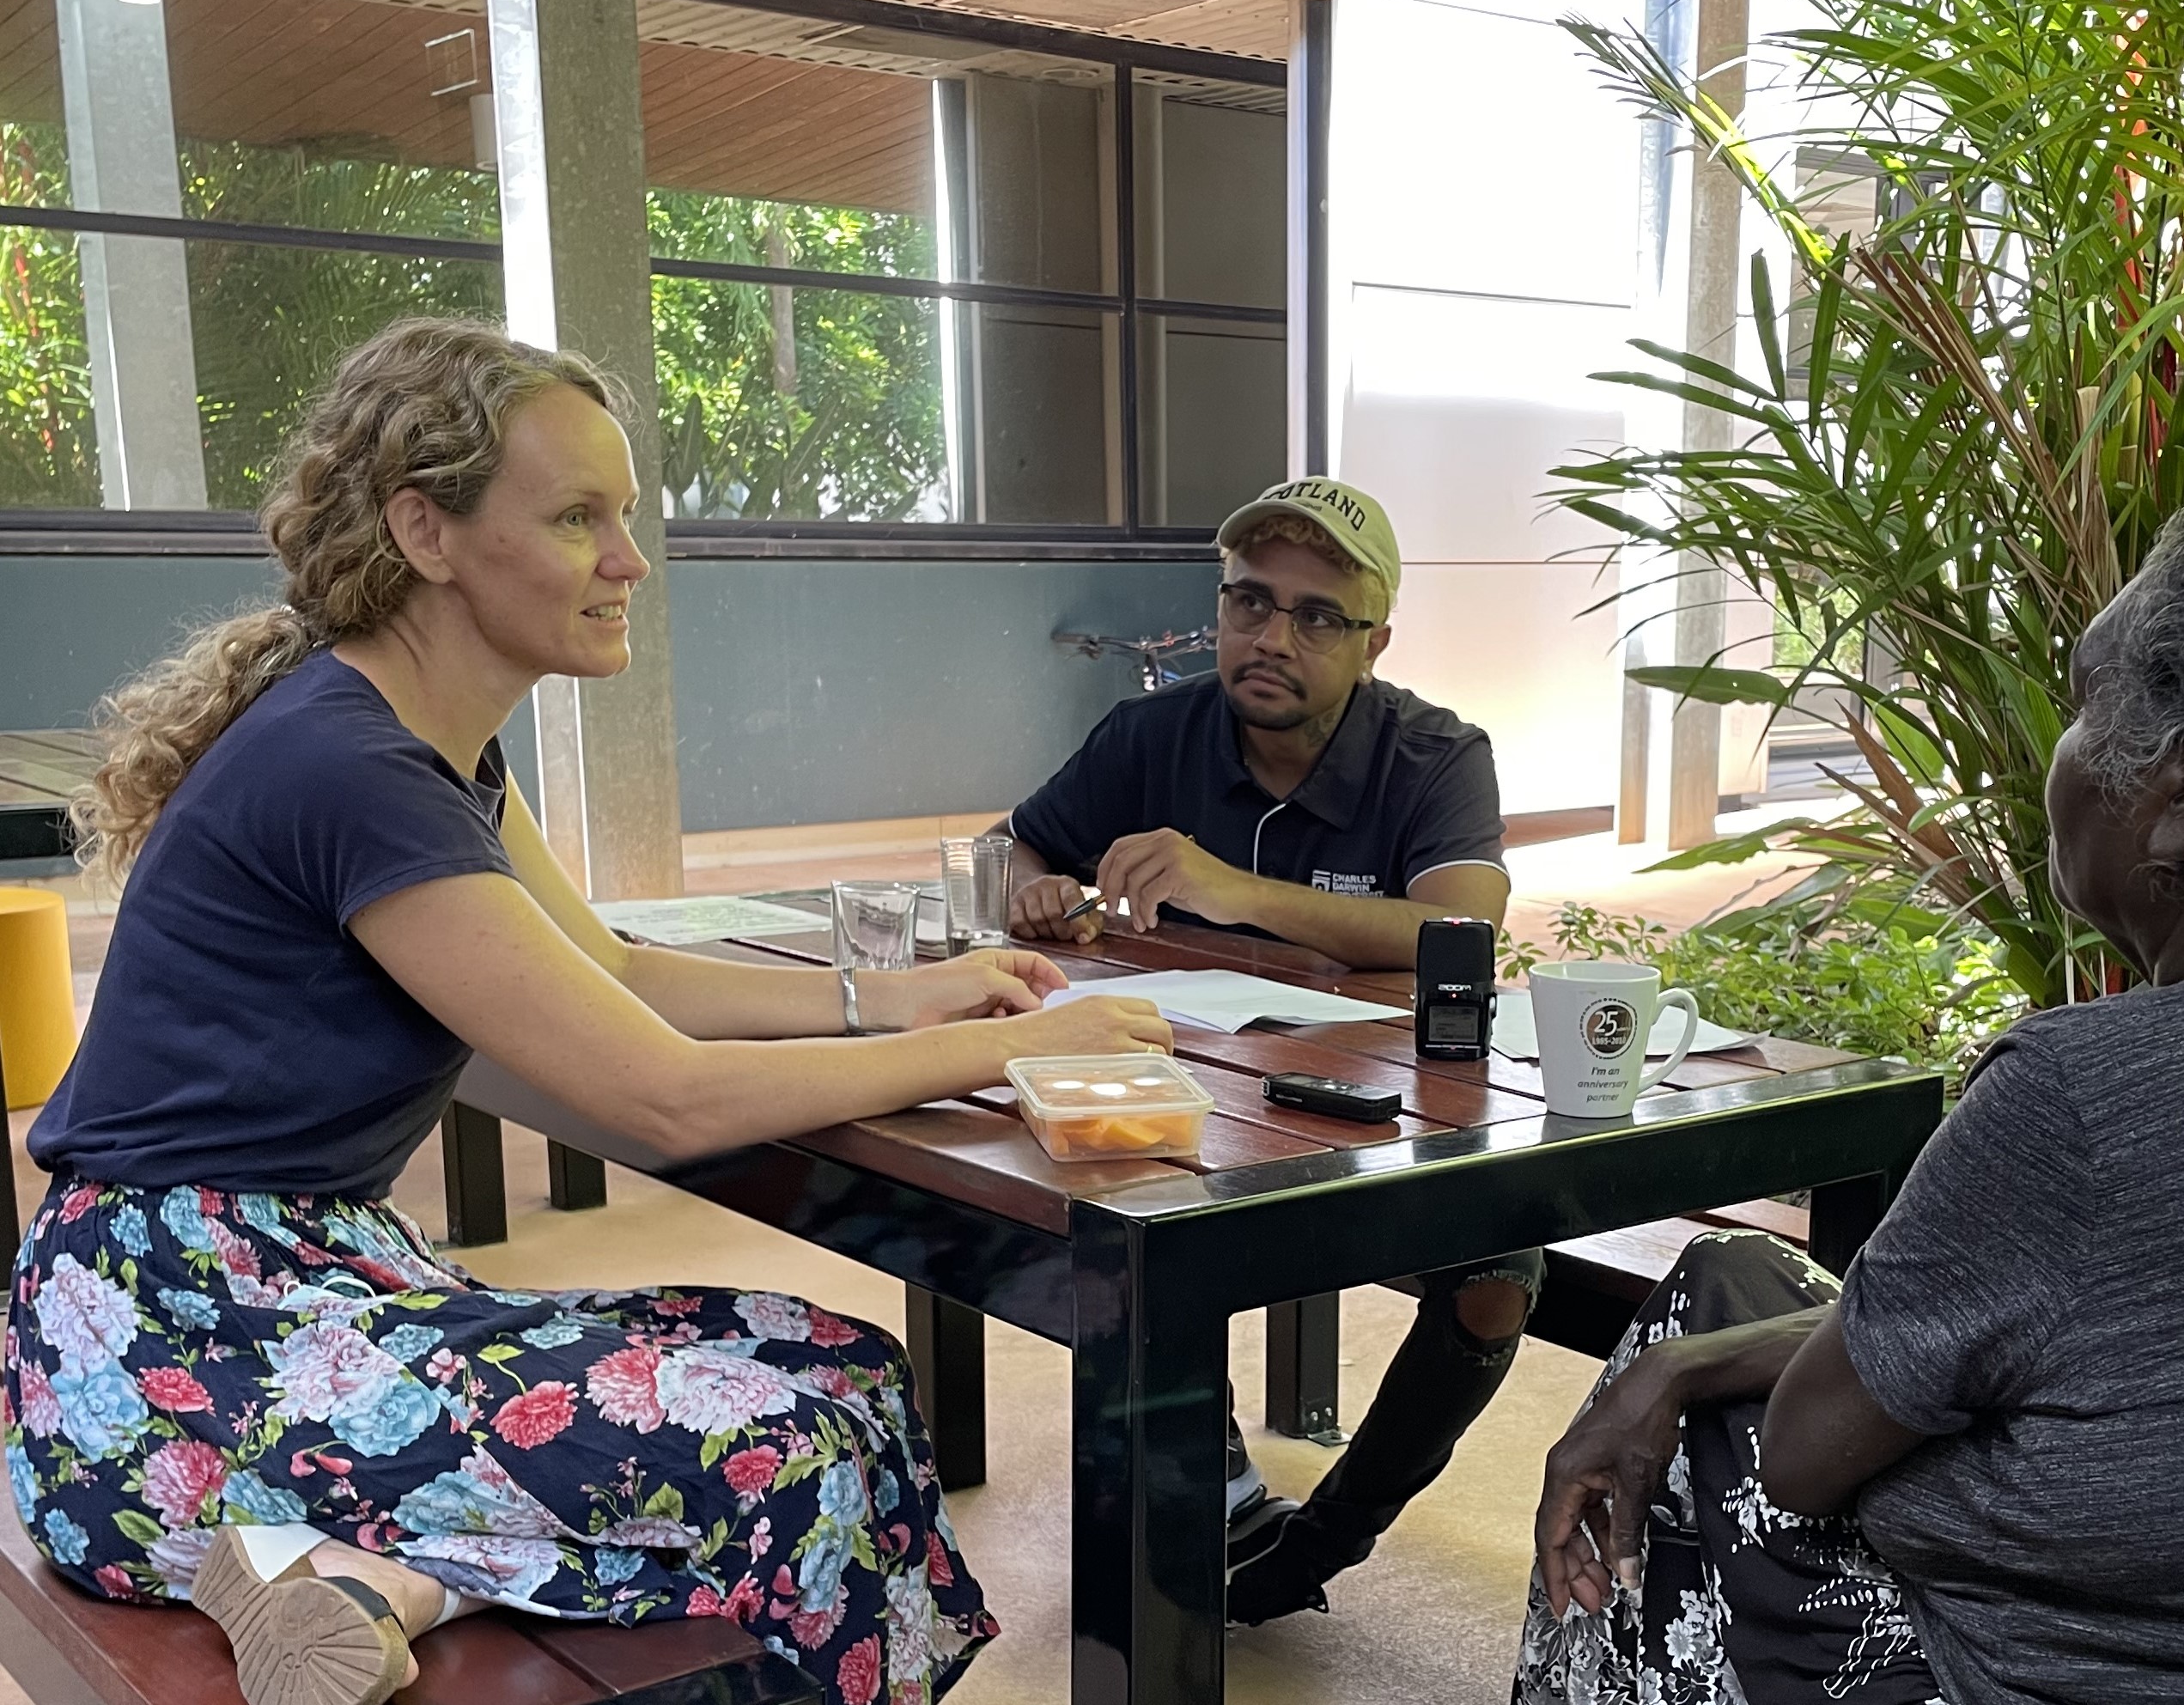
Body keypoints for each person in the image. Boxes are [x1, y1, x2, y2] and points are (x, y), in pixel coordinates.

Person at [7, 318, 1171, 1705]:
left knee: (845, 1364)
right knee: (791, 1454)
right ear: (425, 532)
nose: (629, 561)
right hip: (170, 1352)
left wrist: (890, 996)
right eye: (577, 519)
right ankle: (338, 1568)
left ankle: (361, 1579)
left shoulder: (436, 749)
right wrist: (1009, 1045)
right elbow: (660, 1092)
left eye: (625, 517)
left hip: (293, 1287)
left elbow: (616, 976)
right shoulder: (351, 767)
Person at [1516, 521, 2184, 1704]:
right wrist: (1694, 1361)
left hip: (2025, 1669)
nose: (2061, 754)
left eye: (2081, 708)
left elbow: (1808, 1456)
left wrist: (1682, 1381)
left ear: (2170, 801)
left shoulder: (2077, 1099)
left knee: (1689, 1478)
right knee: (1724, 1280)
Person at [1000, 476, 1541, 1624]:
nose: (1271, 638)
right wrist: (1037, 891)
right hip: (1179, 1078)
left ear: (1374, 639)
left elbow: (1461, 934)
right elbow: (1015, 848)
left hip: (1378, 1103)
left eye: (1315, 616)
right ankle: (1219, 1489)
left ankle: (1327, 1538)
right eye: (1249, 603)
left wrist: (1228, 886)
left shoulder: (1435, 754)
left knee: (1500, 1271)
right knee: (1120, 1218)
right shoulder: (1152, 732)